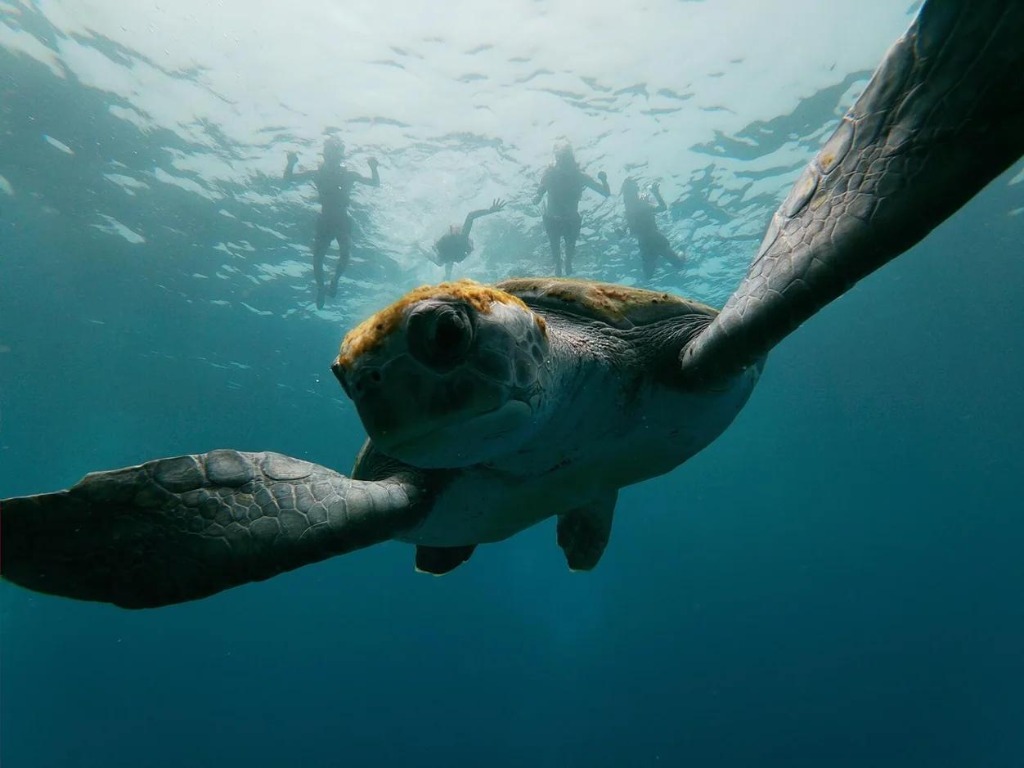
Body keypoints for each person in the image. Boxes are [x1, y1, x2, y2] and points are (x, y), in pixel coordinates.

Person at [283, 136, 380, 309]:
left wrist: (374, 168)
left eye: (335, 155)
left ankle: (334, 281)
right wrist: (291, 162)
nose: (333, 159)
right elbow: (289, 179)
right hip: (327, 218)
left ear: (340, 157)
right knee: (318, 258)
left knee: (344, 252)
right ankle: (321, 287)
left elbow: (374, 183)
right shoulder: (318, 173)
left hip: (340, 218)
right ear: (325, 156)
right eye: (329, 154)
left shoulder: (347, 175)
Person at [533, 141, 610, 276]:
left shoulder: (578, 176)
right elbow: (540, 191)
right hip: (554, 219)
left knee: (568, 254)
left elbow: (605, 193)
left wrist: (604, 180)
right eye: (561, 159)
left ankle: (566, 266)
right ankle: (560, 267)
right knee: (557, 253)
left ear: (571, 160)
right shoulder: (550, 174)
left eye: (566, 159)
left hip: (568, 220)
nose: (563, 164)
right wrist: (537, 197)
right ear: (557, 160)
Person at [621, 178, 686, 281]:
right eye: (631, 189)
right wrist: (622, 232)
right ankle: (676, 254)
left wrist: (656, 193)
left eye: (634, 188)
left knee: (679, 264)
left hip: (655, 239)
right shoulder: (629, 210)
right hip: (645, 244)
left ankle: (682, 251)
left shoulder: (642, 203)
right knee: (648, 276)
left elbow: (663, 208)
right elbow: (629, 228)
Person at [429, 199, 507, 280]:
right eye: (455, 228)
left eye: (457, 228)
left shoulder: (460, 237)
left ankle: (447, 276)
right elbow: (471, 216)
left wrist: (490, 211)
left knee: (442, 261)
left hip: (455, 252)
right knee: (442, 261)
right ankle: (447, 276)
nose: (456, 228)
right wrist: (490, 211)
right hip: (453, 252)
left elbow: (471, 216)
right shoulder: (454, 239)